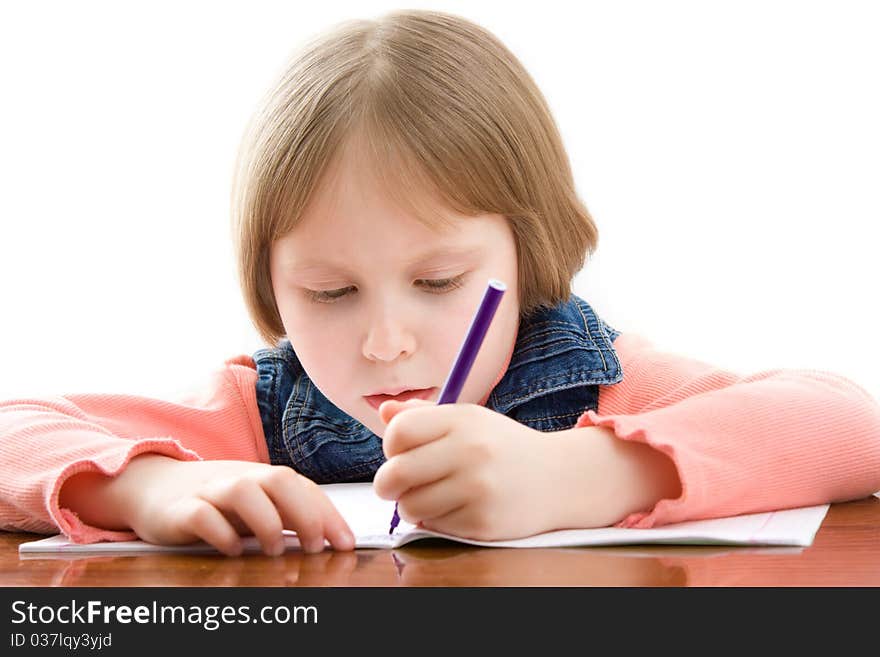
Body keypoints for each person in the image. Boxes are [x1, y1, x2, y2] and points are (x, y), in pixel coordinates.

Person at [2, 10, 879, 558]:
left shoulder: (601, 381)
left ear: (524, 251)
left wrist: (575, 475)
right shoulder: (261, 410)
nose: (386, 340)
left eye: (438, 278)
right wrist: (148, 490)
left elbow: (848, 424)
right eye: (330, 293)